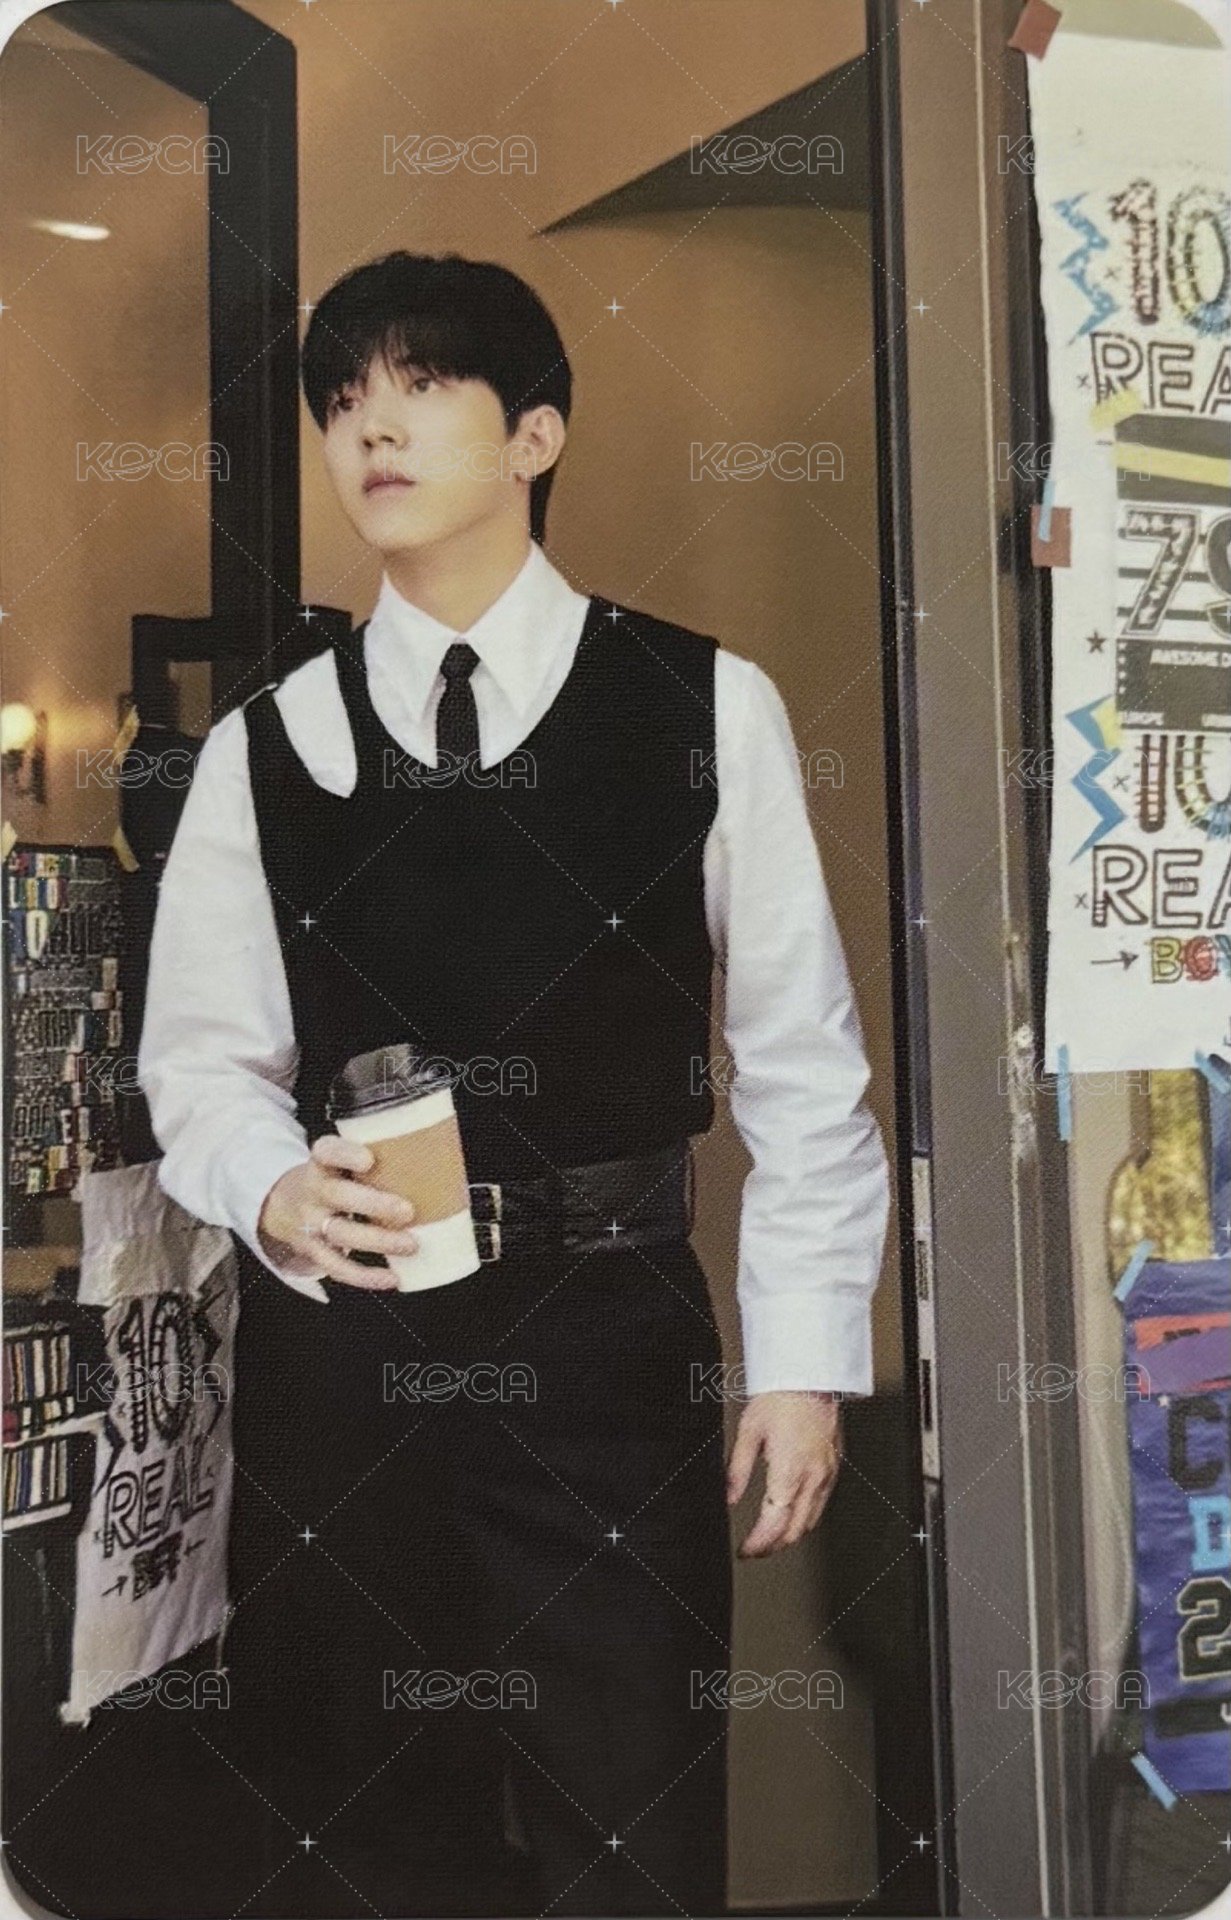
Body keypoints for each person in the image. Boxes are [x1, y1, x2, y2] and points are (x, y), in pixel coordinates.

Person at [138, 248, 891, 1918]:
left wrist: (803, 1363)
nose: (369, 429)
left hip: (609, 1344)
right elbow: (199, 1057)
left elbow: (802, 1071)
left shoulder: (706, 705)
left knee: (631, 1830)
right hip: (346, 1355)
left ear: (537, 434)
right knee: (357, 1838)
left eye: (419, 388)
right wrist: (267, 1184)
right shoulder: (265, 744)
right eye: (343, 400)